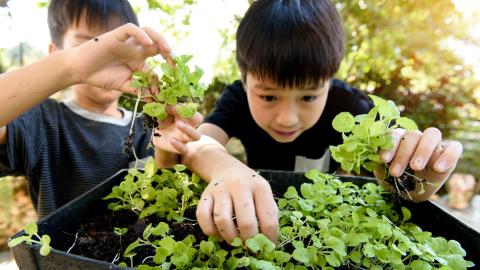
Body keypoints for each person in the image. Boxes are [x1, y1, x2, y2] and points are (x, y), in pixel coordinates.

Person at [153, 0, 464, 244]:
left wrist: (410, 176)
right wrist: (226, 168)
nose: (287, 117)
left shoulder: (351, 107)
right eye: (269, 97)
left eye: (309, 98)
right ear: (245, 80)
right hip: (256, 217)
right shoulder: (236, 99)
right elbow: (196, 142)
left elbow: (388, 166)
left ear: (329, 82)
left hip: (325, 226)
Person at [0, 0, 197, 218]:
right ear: (56, 52)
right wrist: (67, 67)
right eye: (88, 45)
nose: (105, 59)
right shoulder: (43, 120)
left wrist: (168, 151)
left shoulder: (145, 126)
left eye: (118, 47)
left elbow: (159, 194)